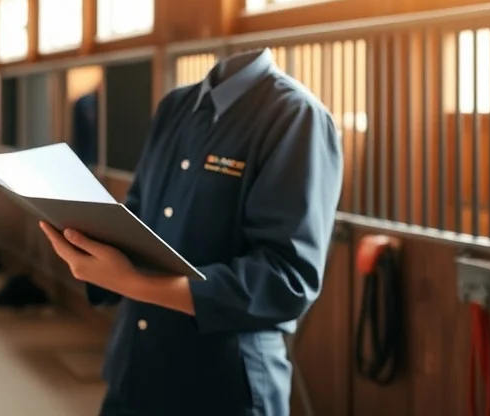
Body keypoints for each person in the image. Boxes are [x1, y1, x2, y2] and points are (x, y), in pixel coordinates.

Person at [39, 49, 343, 416]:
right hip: (134, 369)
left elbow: (286, 280)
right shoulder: (175, 106)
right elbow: (138, 212)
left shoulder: (294, 115)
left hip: (220, 385)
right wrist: (82, 237)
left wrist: (135, 283)